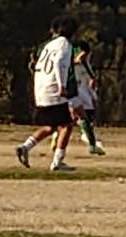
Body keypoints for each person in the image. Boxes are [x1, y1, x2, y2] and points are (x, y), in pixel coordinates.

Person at [16, 16, 79, 173]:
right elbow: (58, 63)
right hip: (53, 89)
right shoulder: (65, 45)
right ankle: (57, 162)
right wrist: (62, 86)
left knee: (51, 126)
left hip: (41, 88)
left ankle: (25, 147)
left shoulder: (49, 45)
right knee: (67, 125)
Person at [68, 39, 106, 157]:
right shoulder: (71, 61)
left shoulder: (84, 64)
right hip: (75, 92)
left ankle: (90, 140)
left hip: (83, 92)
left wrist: (93, 88)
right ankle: (92, 142)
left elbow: (90, 79)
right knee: (80, 118)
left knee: (83, 118)